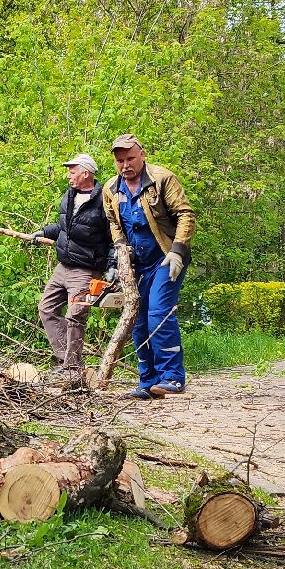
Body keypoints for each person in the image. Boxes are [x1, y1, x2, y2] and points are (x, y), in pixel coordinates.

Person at [102, 134, 195, 398]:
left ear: (142, 155)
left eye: (130, 158)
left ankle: (173, 377)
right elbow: (114, 223)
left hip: (166, 257)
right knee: (138, 321)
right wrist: (120, 252)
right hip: (137, 264)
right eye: (120, 160)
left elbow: (185, 214)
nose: (126, 165)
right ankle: (149, 382)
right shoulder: (111, 189)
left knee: (159, 314)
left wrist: (178, 250)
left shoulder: (163, 179)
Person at [35, 152, 112, 386]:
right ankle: (66, 361)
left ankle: (72, 369)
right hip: (63, 266)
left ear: (85, 173)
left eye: (72, 171)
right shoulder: (69, 195)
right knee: (46, 308)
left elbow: (113, 237)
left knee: (75, 316)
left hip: (86, 270)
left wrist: (112, 267)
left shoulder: (103, 201)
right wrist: (43, 232)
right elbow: (62, 226)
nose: (69, 175)